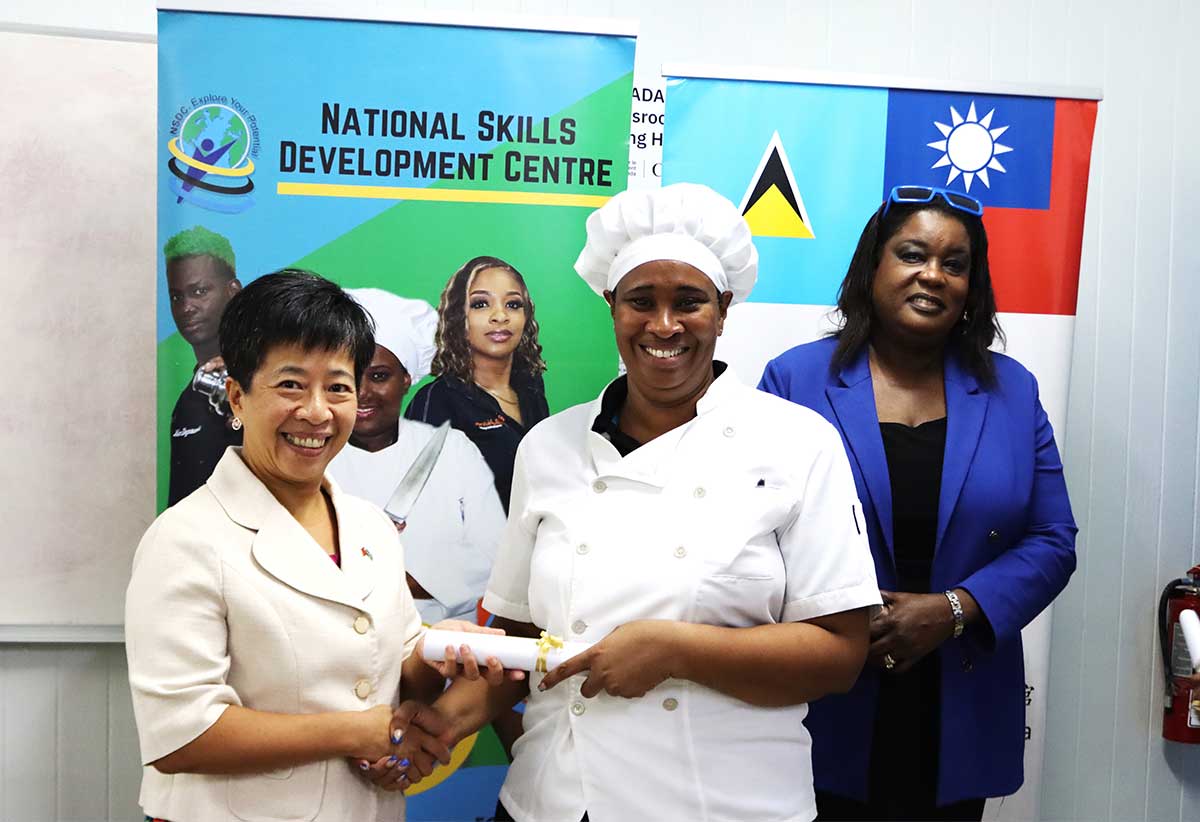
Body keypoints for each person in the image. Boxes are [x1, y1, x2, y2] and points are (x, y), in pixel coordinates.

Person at [375, 184, 882, 822]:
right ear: (612, 307)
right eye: (640, 301)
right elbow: (519, 640)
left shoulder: (795, 443)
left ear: (723, 310)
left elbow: (840, 653)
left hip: (722, 804)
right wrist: (440, 725)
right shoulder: (548, 446)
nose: (663, 325)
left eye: (689, 302)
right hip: (553, 799)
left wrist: (675, 649)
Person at [125, 270, 501, 822]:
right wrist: (356, 731)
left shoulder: (369, 526)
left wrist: (435, 649)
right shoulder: (184, 539)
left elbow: (387, 656)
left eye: (339, 387)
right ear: (236, 396)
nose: (318, 412)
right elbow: (182, 734)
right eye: (291, 385)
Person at [758, 185, 1078, 820]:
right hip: (826, 693)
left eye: (954, 263)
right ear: (873, 266)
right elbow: (752, 535)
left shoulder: (1012, 390)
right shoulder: (794, 380)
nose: (932, 274)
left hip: (959, 691)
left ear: (971, 285)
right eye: (911, 254)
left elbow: (1052, 538)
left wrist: (954, 609)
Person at [329, 287, 506, 625]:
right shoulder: (314, 456)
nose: (363, 392)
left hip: (448, 652)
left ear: (406, 378)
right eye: (348, 377)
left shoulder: (451, 450)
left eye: (379, 376)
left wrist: (382, 581)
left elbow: (495, 558)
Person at [405, 256, 549, 511]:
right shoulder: (437, 400)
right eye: (481, 304)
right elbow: (419, 505)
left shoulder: (531, 387)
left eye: (513, 304)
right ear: (458, 316)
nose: (500, 316)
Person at [163, 226, 243, 506]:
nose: (186, 307)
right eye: (176, 297)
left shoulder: (258, 384)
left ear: (233, 291)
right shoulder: (186, 401)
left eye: (199, 291)